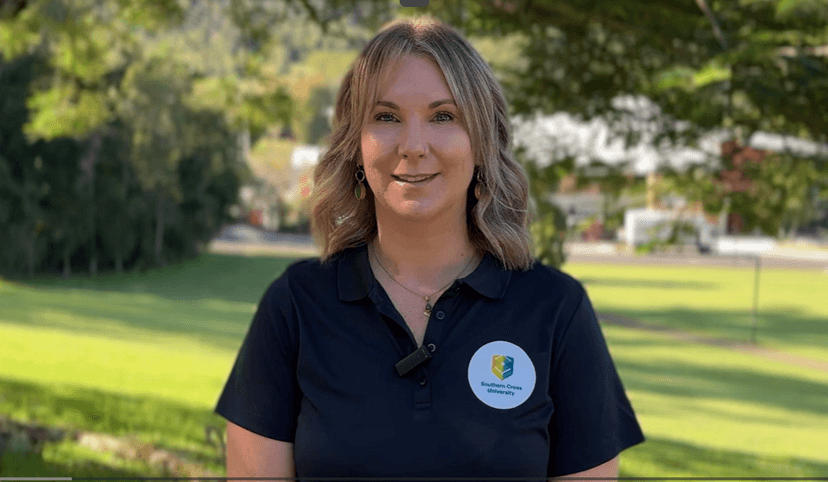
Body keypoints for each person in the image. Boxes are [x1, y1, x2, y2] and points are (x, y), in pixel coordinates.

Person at [214, 15, 645, 480]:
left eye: (443, 116)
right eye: (386, 117)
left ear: (481, 143)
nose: (413, 145)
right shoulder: (296, 304)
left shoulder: (556, 309)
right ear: (355, 147)